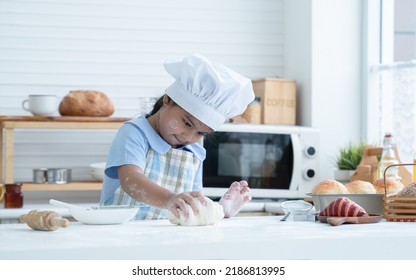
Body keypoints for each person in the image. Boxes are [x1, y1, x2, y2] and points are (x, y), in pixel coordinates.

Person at [99, 53, 255, 220]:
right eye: (187, 123)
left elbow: (193, 203)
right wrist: (169, 199)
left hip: (167, 239)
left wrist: (219, 210)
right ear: (168, 99)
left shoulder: (194, 152)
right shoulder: (135, 132)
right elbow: (132, 180)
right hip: (120, 235)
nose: (188, 136)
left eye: (200, 133)